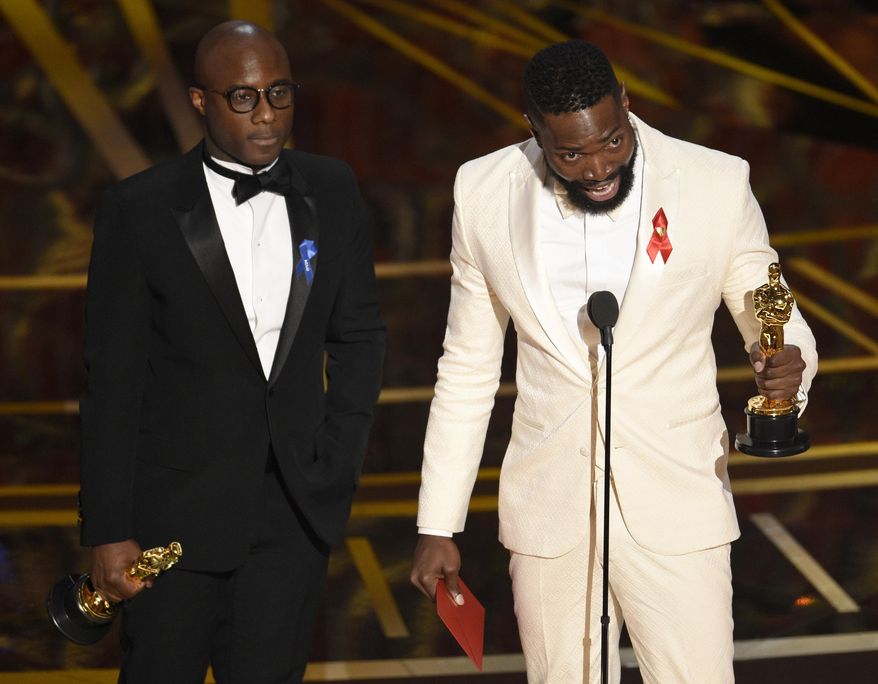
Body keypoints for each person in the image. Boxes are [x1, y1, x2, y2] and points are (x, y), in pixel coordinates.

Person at [410, 40, 816, 683]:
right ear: (533, 128)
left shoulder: (713, 182)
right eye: (570, 154)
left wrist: (785, 360)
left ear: (626, 104)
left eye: (613, 142)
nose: (598, 167)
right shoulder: (483, 191)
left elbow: (768, 302)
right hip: (552, 512)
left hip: (677, 501)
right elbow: (467, 366)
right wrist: (438, 521)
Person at [78, 20, 385, 683]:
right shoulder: (140, 209)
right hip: (171, 526)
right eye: (243, 97)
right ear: (200, 101)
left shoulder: (332, 188)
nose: (267, 114)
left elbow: (360, 334)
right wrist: (106, 528)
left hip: (292, 519)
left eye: (279, 93)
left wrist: (336, 462)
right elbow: (113, 381)